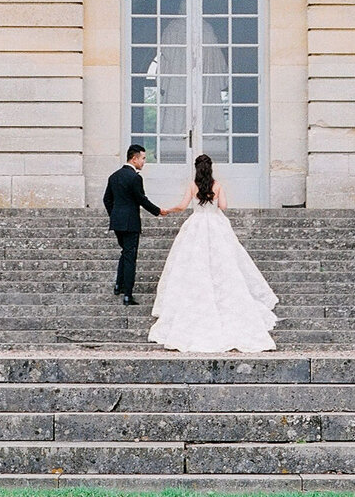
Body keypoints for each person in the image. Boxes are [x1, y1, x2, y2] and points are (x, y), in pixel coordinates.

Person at [147, 153, 278, 354]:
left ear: (196, 168)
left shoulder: (192, 185)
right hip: (216, 224)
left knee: (191, 263)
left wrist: (168, 210)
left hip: (197, 224)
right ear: (211, 168)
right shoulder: (217, 185)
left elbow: (182, 206)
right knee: (224, 263)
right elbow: (223, 207)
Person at [102, 143, 163, 305]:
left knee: (125, 252)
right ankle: (127, 294)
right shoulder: (135, 178)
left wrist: (114, 215)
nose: (144, 162)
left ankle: (118, 285)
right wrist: (158, 211)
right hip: (131, 223)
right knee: (130, 257)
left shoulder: (114, 176)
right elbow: (141, 199)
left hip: (117, 223)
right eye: (143, 158)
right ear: (134, 159)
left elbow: (107, 199)